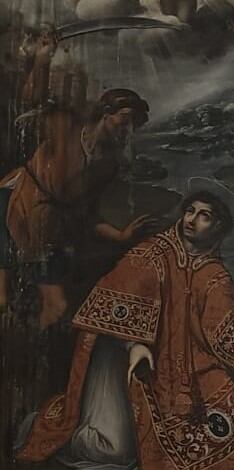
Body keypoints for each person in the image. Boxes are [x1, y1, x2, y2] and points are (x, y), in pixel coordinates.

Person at [16, 179, 234, 470]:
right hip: (125, 362)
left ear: (218, 226)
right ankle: (40, 425)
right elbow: (111, 302)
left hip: (187, 365)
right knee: (111, 451)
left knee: (228, 408)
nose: (191, 219)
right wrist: (134, 343)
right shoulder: (151, 254)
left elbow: (227, 318)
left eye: (204, 215)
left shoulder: (214, 273)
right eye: (190, 211)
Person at [0, 30, 153, 325]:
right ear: (106, 115)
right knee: (3, 300)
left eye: (134, 124)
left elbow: (87, 216)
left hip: (47, 234)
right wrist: (43, 60)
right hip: (10, 207)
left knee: (57, 309)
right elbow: (33, 100)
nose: (129, 130)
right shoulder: (66, 126)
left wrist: (120, 236)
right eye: (124, 121)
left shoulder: (108, 167)